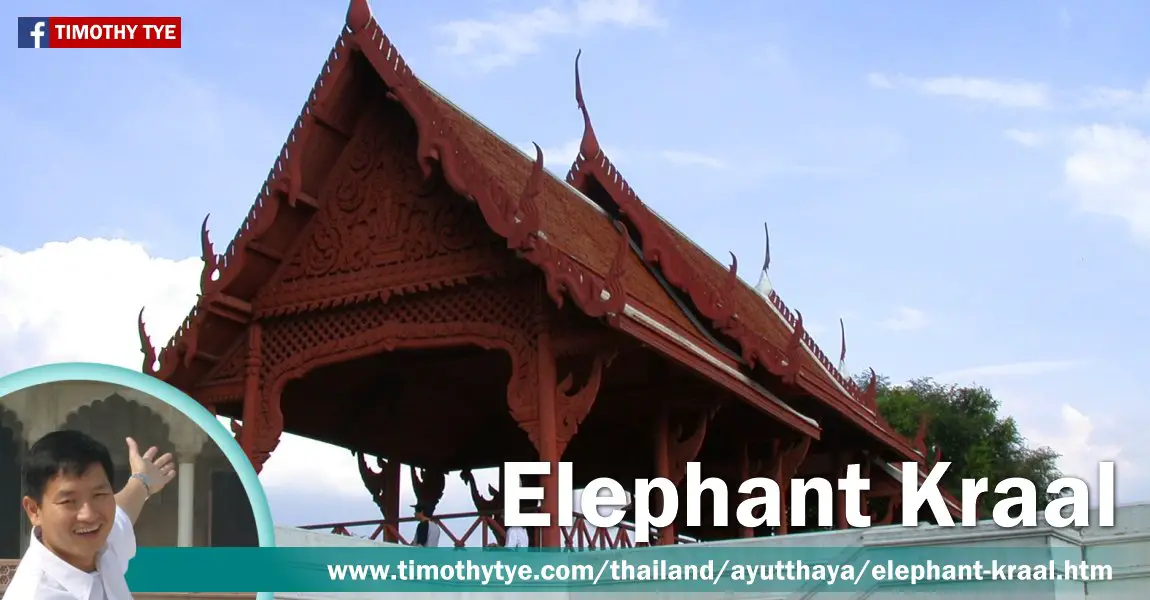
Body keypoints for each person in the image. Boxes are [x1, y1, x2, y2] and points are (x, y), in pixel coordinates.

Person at [6, 430, 178, 600]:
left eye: (99, 495)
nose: (88, 515)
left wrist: (143, 480)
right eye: (68, 501)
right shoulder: (35, 594)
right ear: (34, 510)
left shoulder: (104, 545)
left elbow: (123, 509)